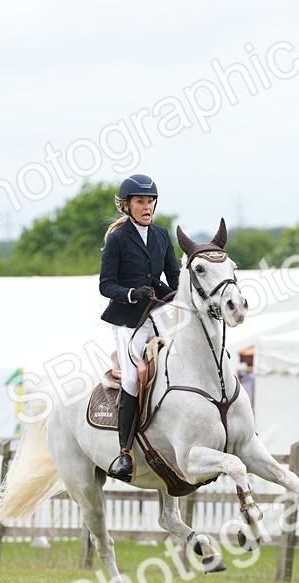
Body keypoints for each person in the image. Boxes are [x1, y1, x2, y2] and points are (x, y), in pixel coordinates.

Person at [98, 173, 180, 482]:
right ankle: (124, 452)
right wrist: (133, 294)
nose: (147, 207)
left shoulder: (160, 234)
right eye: (141, 202)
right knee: (132, 377)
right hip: (127, 319)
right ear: (127, 206)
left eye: (150, 202)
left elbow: (174, 274)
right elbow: (106, 285)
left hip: (157, 314)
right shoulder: (117, 239)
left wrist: (180, 294)